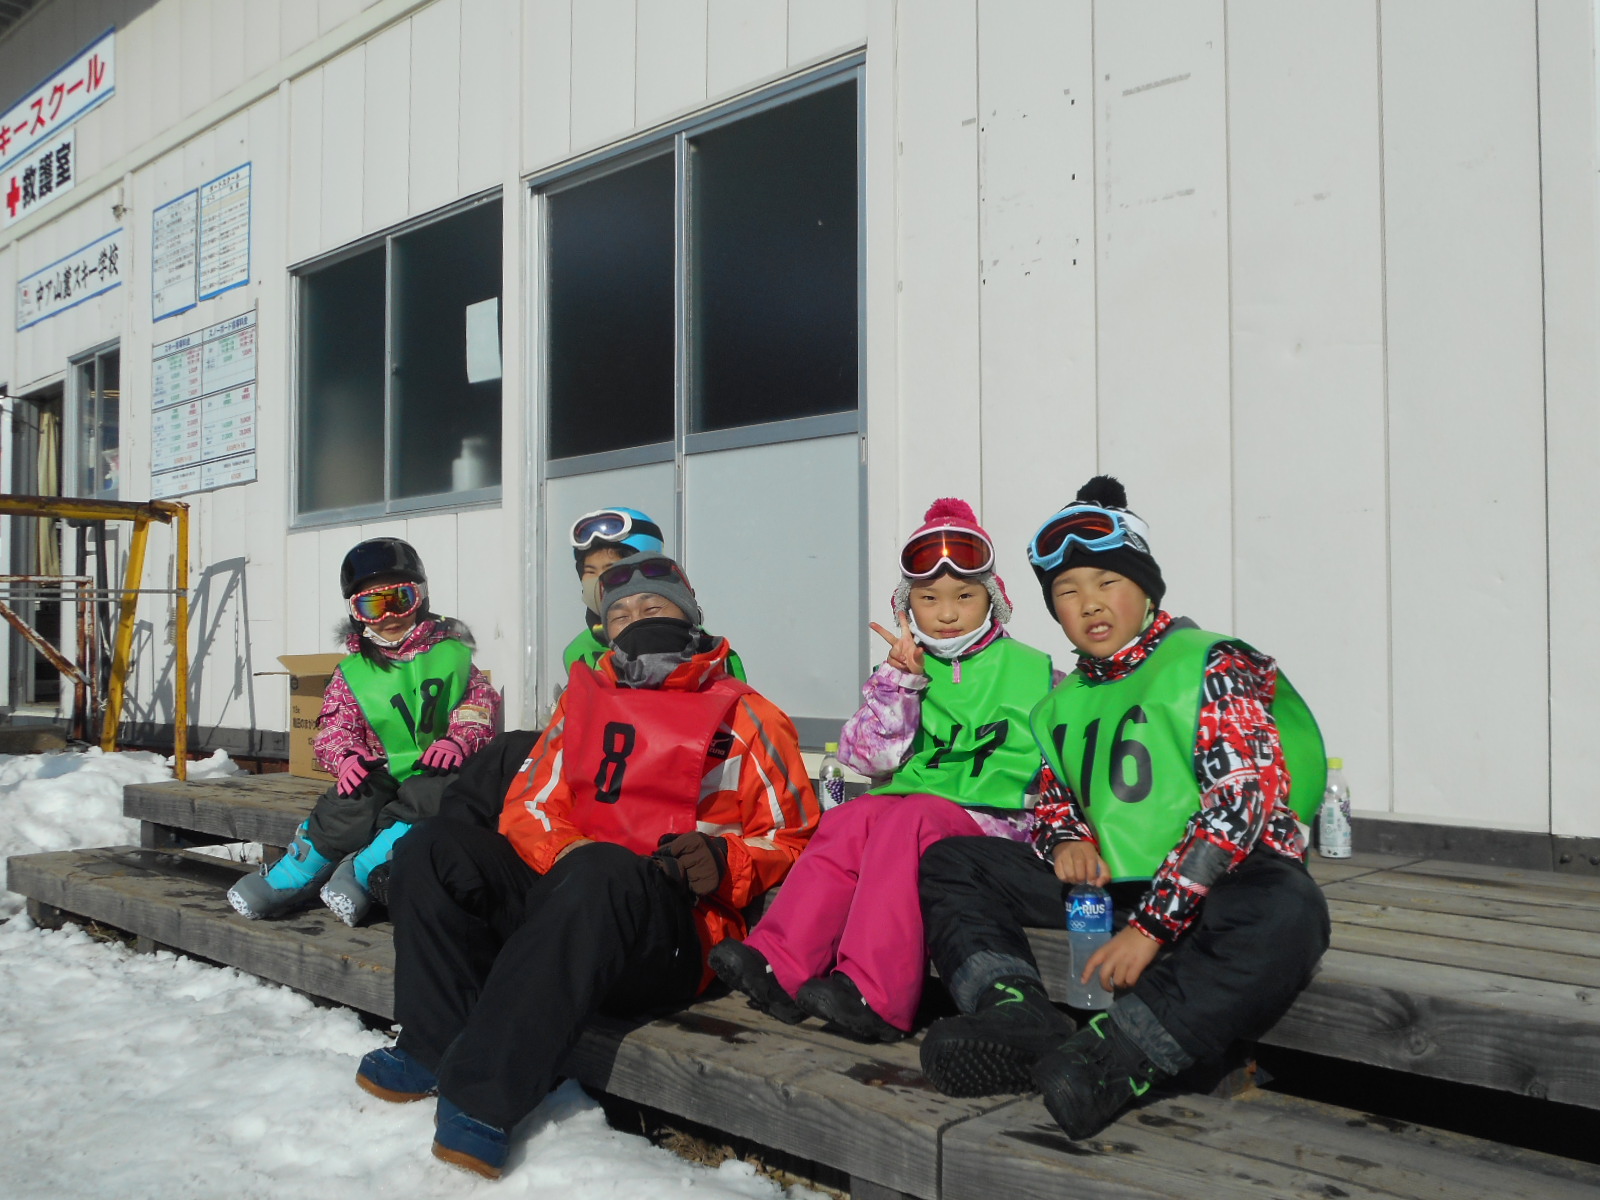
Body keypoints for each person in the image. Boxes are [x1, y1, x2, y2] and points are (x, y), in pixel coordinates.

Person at [354, 552, 819, 1179]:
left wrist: (724, 860)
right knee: (434, 847)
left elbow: (795, 839)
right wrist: (565, 852)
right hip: (573, 890)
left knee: (602, 872)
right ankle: (430, 1042)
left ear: (688, 615)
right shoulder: (584, 704)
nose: (636, 620)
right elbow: (530, 805)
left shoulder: (749, 716)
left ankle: (484, 1095)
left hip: (678, 929)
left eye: (654, 607)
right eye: (619, 614)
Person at [915, 476, 1331, 1140]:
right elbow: (1052, 798)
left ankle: (1115, 1059)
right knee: (953, 861)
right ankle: (1016, 1013)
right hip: (1114, 887)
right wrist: (1064, 840)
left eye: (1107, 581)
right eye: (1067, 592)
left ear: (1144, 588)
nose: (1089, 604)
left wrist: (1151, 929)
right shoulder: (1061, 701)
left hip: (1215, 889)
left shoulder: (1210, 662)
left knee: (1290, 908)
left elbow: (1238, 808)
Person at [711, 499, 1057, 1043]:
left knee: (905, 817)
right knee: (855, 817)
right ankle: (780, 963)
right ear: (907, 607)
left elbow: (1061, 760)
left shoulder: (1038, 673)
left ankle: (875, 991)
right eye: (929, 599)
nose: (946, 614)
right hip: (917, 813)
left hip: (997, 825)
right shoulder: (899, 671)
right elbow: (863, 760)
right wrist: (900, 684)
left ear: (991, 597)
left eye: (964, 596)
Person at [227, 538, 499, 925]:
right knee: (349, 799)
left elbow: (478, 703)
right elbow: (335, 726)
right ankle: (300, 869)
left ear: (419, 598)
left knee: (436, 795)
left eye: (399, 600)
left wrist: (458, 738)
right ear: (357, 613)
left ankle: (364, 868)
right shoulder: (354, 671)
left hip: (437, 765)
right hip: (382, 766)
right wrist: (347, 756)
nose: (389, 616)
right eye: (372, 605)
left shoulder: (452, 655)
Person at [562, 506, 746, 680]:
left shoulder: (703, 649)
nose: (599, 582)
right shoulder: (578, 651)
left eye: (612, 570)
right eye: (590, 571)